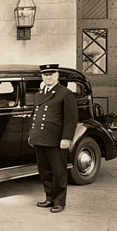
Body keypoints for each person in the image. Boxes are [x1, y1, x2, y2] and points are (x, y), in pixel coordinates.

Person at [28, 64, 77, 213]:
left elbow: (71, 119)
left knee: (59, 171)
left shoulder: (65, 93)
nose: (48, 77)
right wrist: (32, 134)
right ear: (42, 76)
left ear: (57, 75)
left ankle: (59, 202)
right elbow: (34, 116)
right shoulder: (39, 93)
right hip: (40, 138)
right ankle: (49, 198)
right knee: (44, 170)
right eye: (45, 74)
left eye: (51, 74)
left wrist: (66, 138)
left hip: (55, 140)